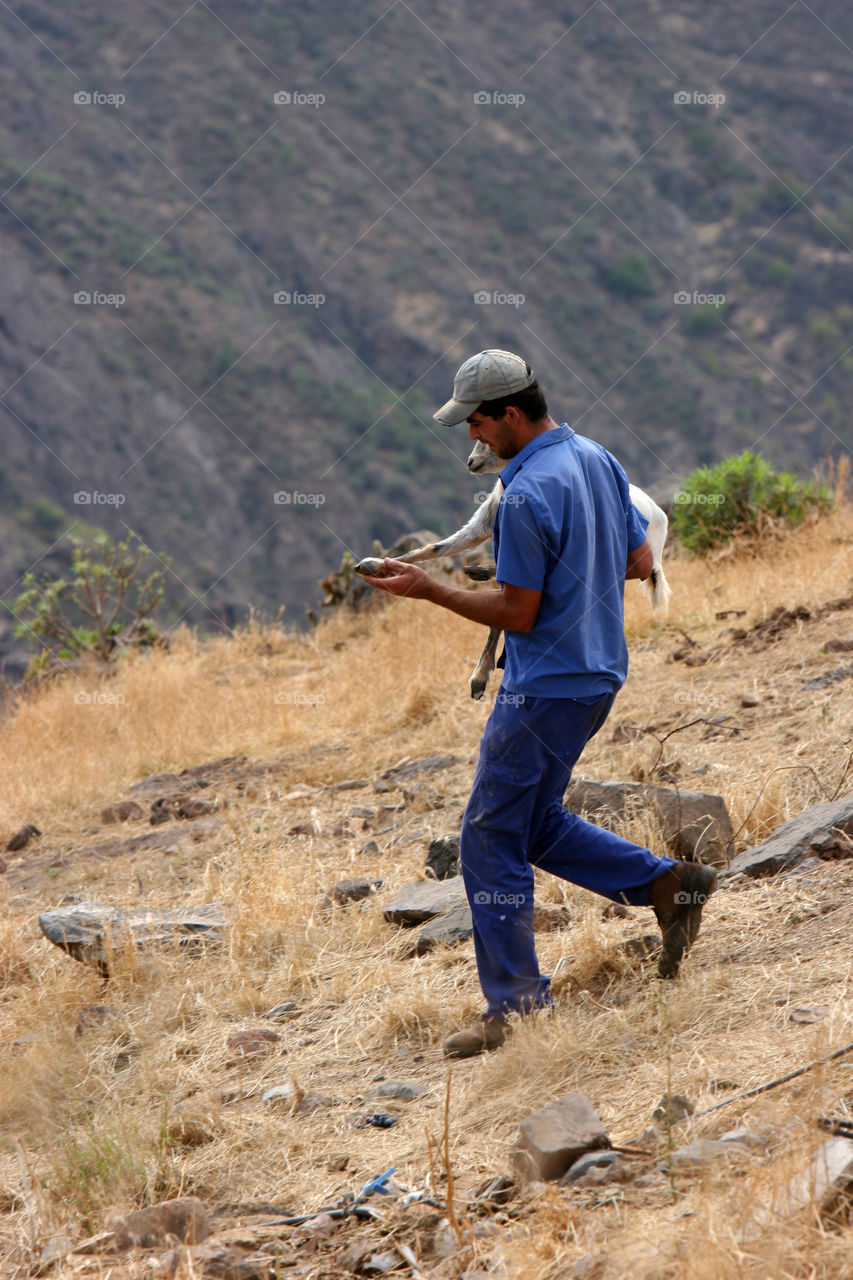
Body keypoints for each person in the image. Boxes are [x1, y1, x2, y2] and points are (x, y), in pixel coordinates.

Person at [362, 349, 716, 1058]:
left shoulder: (523, 495)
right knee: (533, 822)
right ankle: (668, 885)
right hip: (597, 676)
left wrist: (429, 589)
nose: (472, 437)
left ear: (511, 413)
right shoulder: (594, 457)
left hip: (543, 689)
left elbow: (517, 614)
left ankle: (515, 1007)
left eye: (476, 422)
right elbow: (638, 559)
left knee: (489, 838)